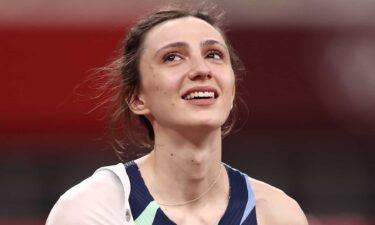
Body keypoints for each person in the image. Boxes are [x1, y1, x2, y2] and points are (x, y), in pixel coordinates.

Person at [46, 3, 308, 225]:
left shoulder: (277, 214)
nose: (201, 69)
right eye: (172, 57)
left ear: (232, 88)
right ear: (137, 98)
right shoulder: (94, 210)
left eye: (214, 54)